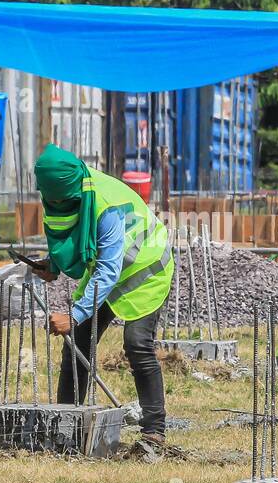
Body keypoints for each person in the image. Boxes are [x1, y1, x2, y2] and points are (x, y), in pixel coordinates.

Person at [31, 144, 174, 440]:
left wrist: (74, 315)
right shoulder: (68, 192)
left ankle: (154, 431)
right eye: (53, 200)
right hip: (108, 270)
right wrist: (54, 264)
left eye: (64, 199)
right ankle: (65, 425)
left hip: (145, 269)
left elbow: (109, 270)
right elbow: (76, 232)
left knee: (137, 344)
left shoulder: (104, 205)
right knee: (77, 344)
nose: (59, 204)